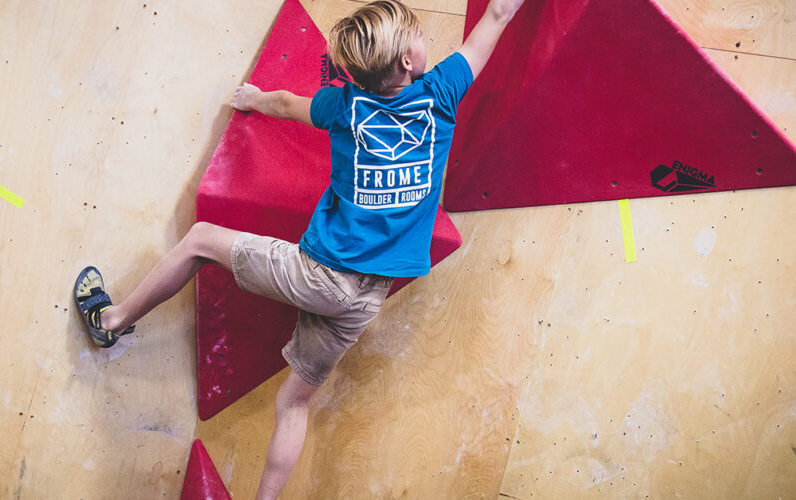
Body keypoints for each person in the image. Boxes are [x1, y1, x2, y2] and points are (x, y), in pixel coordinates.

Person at [73, 0, 526, 497]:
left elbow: (288, 104)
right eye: (417, 35)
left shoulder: (344, 105)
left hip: (321, 276)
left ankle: (111, 323)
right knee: (293, 403)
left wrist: (253, 98)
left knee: (200, 240)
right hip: (366, 300)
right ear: (406, 63)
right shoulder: (442, 93)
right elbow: (499, 15)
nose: (424, 41)